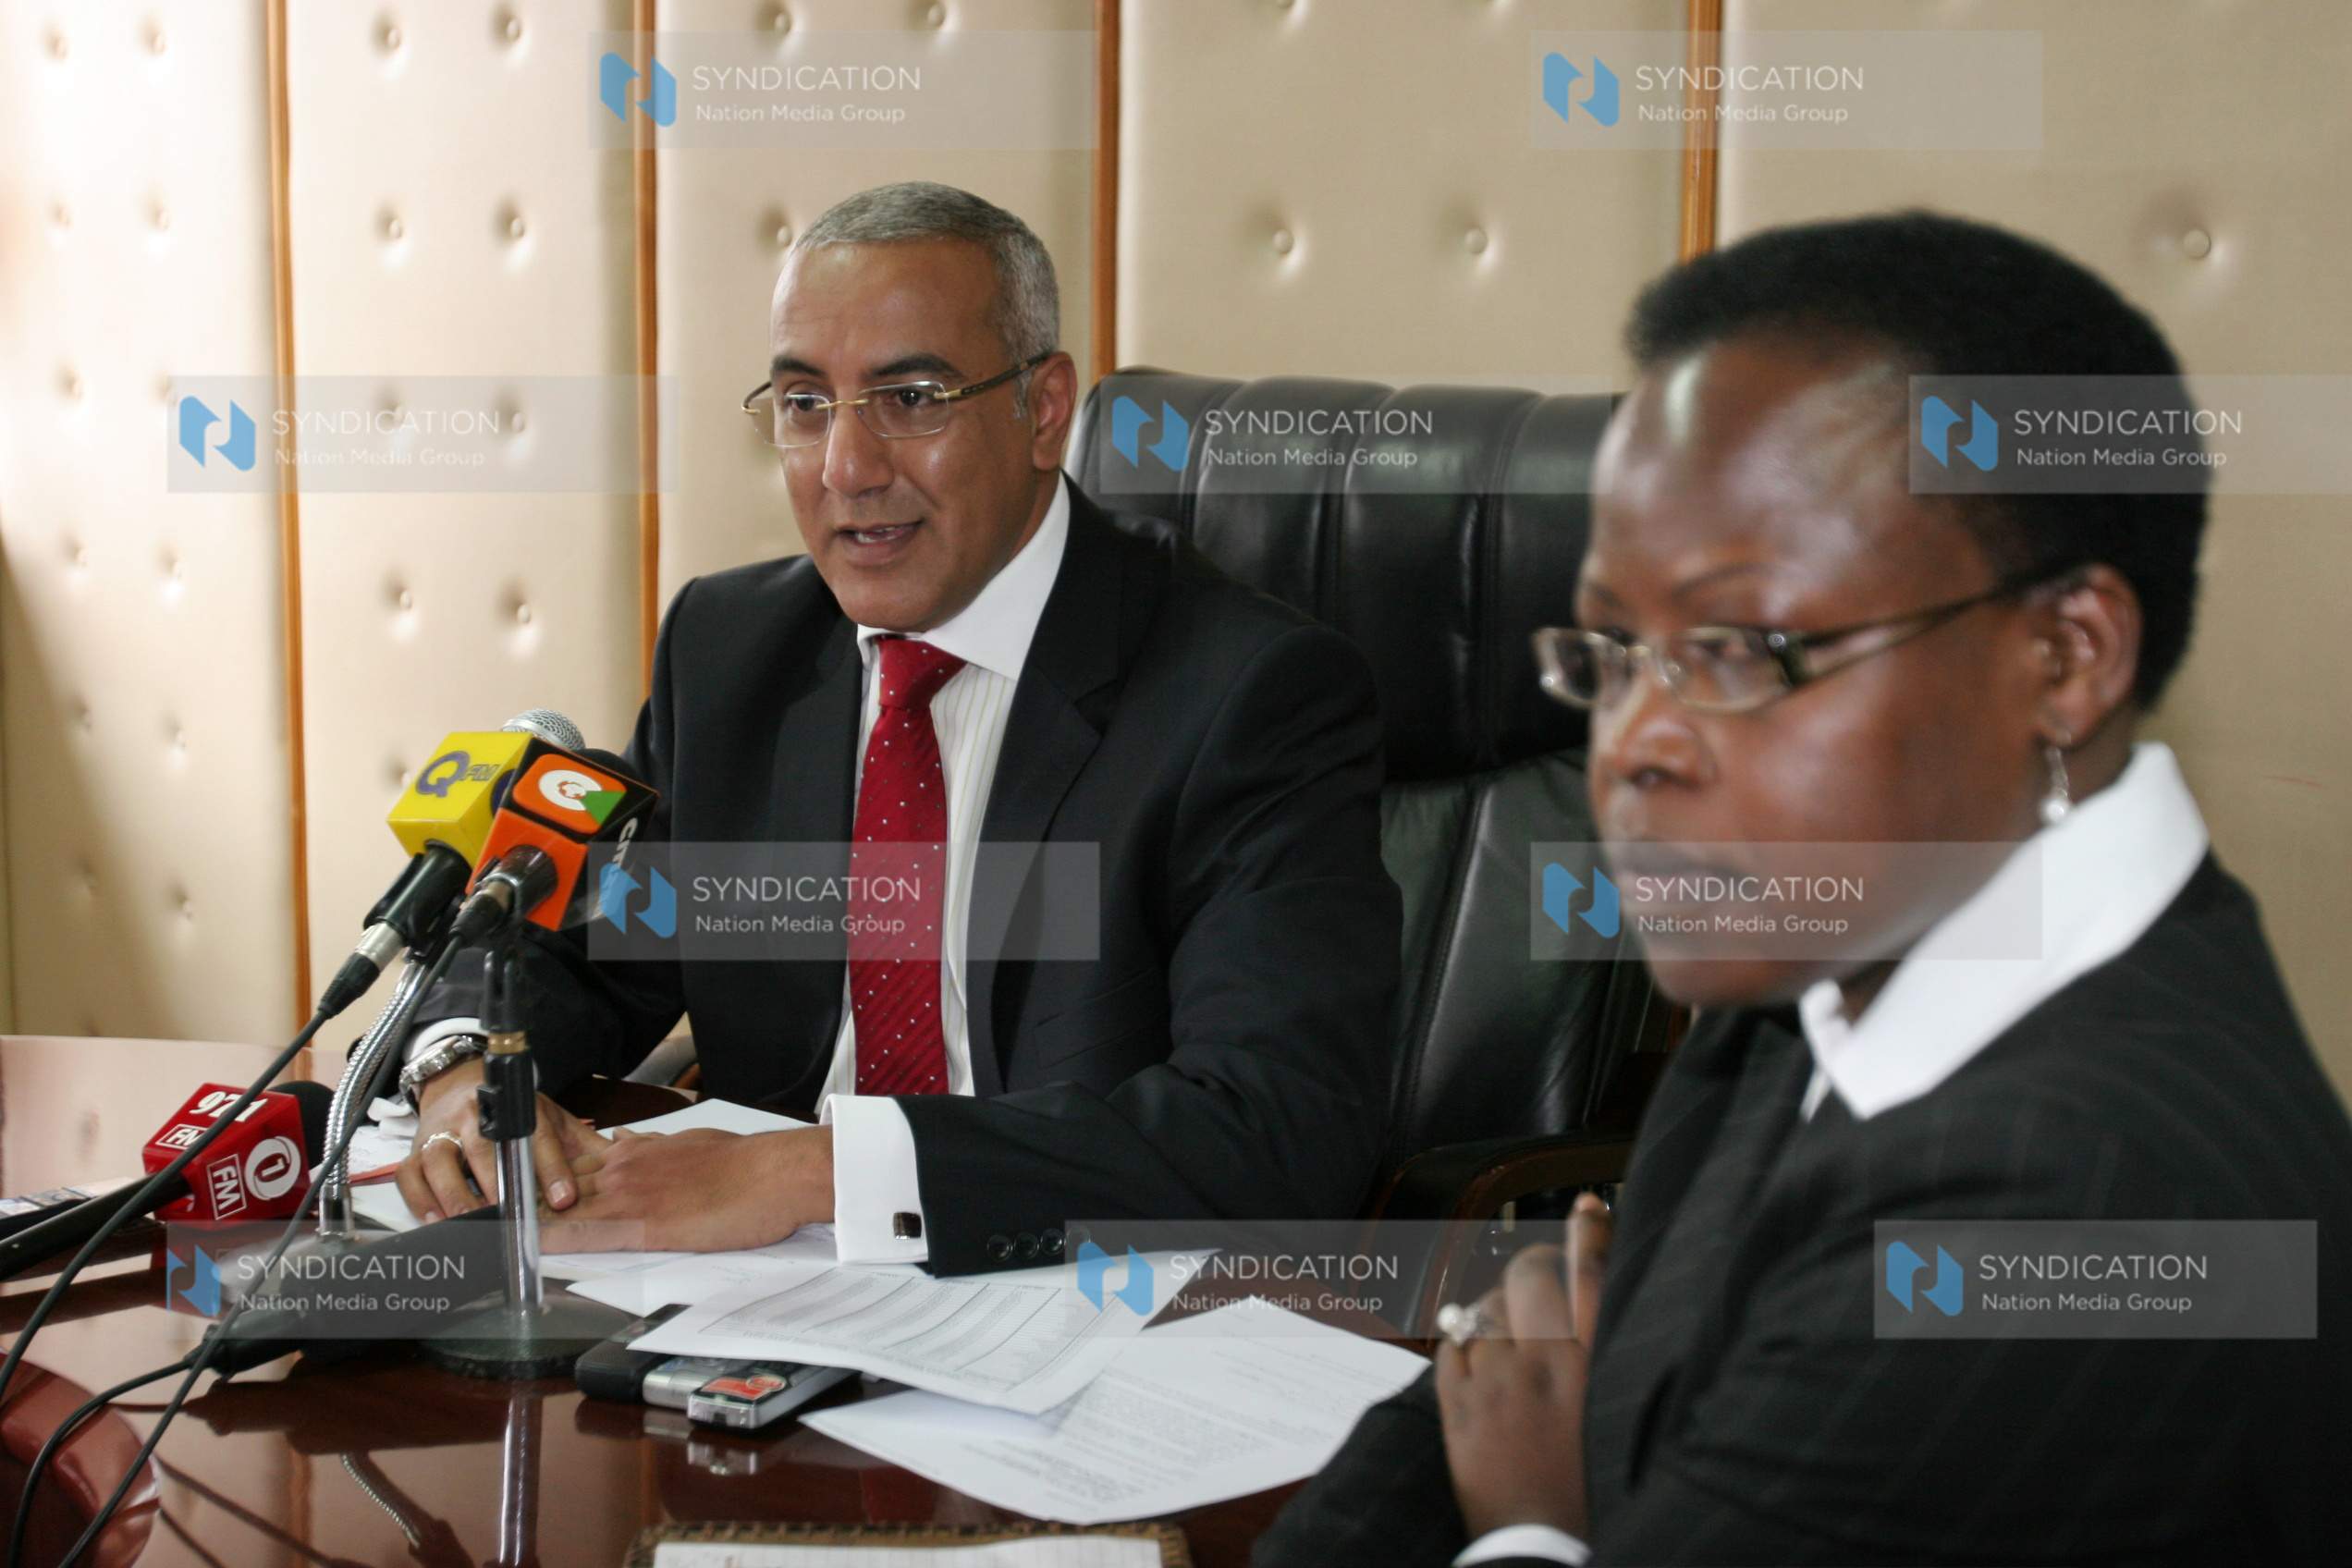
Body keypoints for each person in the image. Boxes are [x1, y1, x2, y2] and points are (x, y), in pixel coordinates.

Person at [1255, 213, 2352, 1564]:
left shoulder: (2079, 1220)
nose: (1633, 743)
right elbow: (1488, 1400)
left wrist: (1532, 1529)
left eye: (1746, 648)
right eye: (1613, 646)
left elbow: (1538, 1441)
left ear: (2064, 659)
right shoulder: (1814, 978)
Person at [390, 182, 1401, 1275]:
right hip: (749, 1310)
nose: (846, 468)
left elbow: (1275, 1129)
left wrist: (804, 1171)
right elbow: (585, 955)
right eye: (803, 403)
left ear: (1043, 407)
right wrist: (460, 1071)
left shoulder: (1248, 695)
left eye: (911, 396)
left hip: (1073, 1297)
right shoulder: (733, 652)